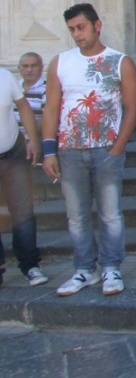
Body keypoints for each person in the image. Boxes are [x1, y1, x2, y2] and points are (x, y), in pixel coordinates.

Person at [42, 3, 136, 296]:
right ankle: (84, 269)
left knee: (110, 213)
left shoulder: (120, 62)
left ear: (98, 25)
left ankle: (111, 267)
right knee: (76, 215)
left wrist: (118, 147)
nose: (76, 34)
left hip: (106, 148)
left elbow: (132, 109)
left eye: (81, 27)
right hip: (70, 149)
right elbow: (50, 108)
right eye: (72, 29)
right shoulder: (61, 62)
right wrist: (49, 150)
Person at [0, 66, 46, 287]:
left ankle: (30, 266)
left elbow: (23, 107)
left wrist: (33, 139)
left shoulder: (4, 76)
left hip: (13, 153)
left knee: (23, 213)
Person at [15, 52, 45, 138]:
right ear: (19, 68)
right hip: (11, 141)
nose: (29, 70)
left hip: (36, 139)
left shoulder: (48, 87)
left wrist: (31, 138)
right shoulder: (14, 86)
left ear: (42, 68)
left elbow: (47, 118)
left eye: (34, 66)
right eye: (25, 66)